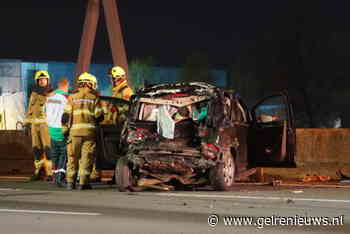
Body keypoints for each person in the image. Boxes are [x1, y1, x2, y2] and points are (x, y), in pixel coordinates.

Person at [62, 72, 103, 190]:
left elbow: (65, 116)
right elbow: (99, 116)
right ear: (90, 84)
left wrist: (65, 131)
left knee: (72, 158)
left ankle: (70, 182)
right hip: (89, 133)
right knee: (86, 158)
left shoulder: (72, 97)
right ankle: (83, 183)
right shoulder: (94, 98)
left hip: (74, 133)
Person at [24, 70, 54, 181]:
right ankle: (38, 172)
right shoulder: (33, 94)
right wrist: (26, 124)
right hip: (34, 126)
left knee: (48, 149)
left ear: (47, 80)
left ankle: (50, 173)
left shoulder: (51, 94)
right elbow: (30, 110)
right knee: (36, 150)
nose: (42, 81)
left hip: (45, 125)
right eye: (40, 80)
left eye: (44, 79)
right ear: (37, 81)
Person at [45, 78, 69, 187]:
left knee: (54, 155)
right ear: (66, 85)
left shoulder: (49, 98)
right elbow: (68, 114)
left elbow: (45, 112)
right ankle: (61, 177)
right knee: (64, 155)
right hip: (61, 129)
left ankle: (54, 178)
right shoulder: (66, 98)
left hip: (51, 129)